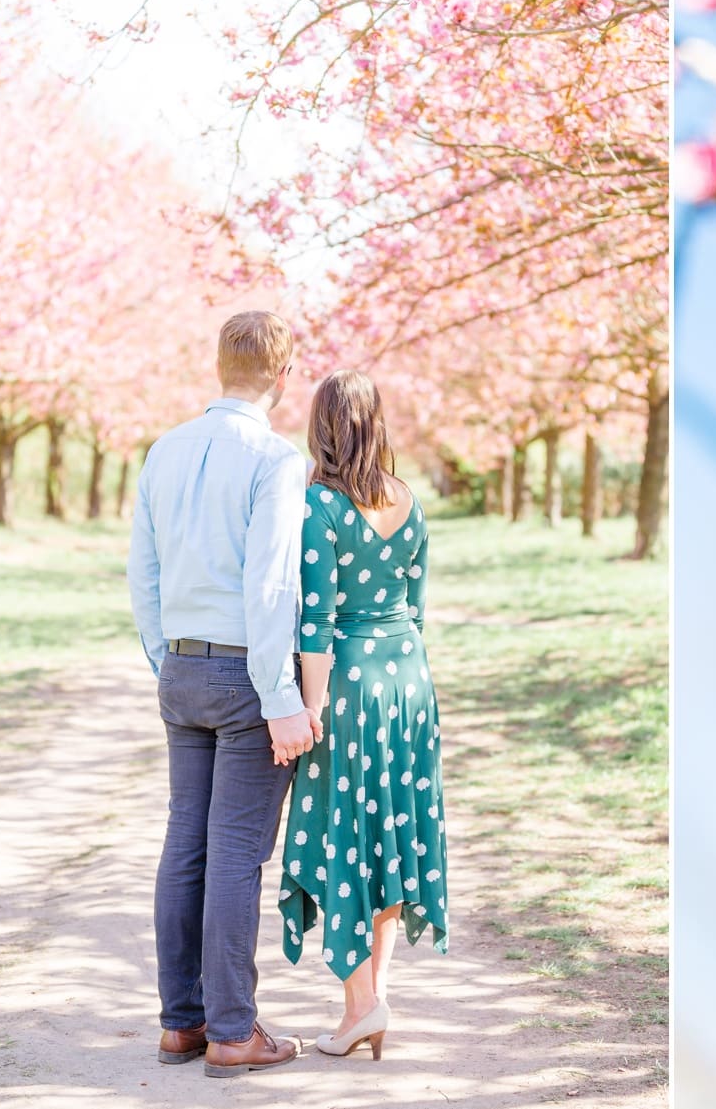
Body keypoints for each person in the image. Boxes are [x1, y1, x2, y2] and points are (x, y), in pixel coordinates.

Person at [128, 310, 322, 1077]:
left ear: (218, 368)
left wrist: (164, 657)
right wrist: (280, 694)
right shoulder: (277, 459)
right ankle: (234, 1030)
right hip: (247, 674)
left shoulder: (163, 450)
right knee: (237, 851)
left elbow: (142, 572)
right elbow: (270, 582)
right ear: (284, 376)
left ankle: (183, 1023)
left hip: (180, 665)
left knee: (186, 843)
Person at [277, 369, 450, 1061]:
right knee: (391, 831)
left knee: (343, 832)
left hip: (346, 684)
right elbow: (417, 604)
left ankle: (362, 1006)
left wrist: (308, 708)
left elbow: (315, 621)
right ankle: (373, 998)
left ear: (323, 427)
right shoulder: (408, 500)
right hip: (408, 680)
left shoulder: (319, 507)